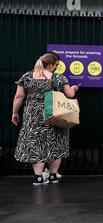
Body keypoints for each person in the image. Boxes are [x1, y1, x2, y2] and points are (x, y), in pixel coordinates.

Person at [12, 52, 78, 185]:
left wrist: (15, 112)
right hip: (54, 115)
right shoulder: (58, 78)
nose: (56, 68)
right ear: (50, 65)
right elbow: (70, 95)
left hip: (33, 116)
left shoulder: (27, 77)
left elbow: (19, 97)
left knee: (36, 145)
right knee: (56, 145)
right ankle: (53, 175)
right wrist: (73, 89)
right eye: (56, 65)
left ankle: (39, 177)